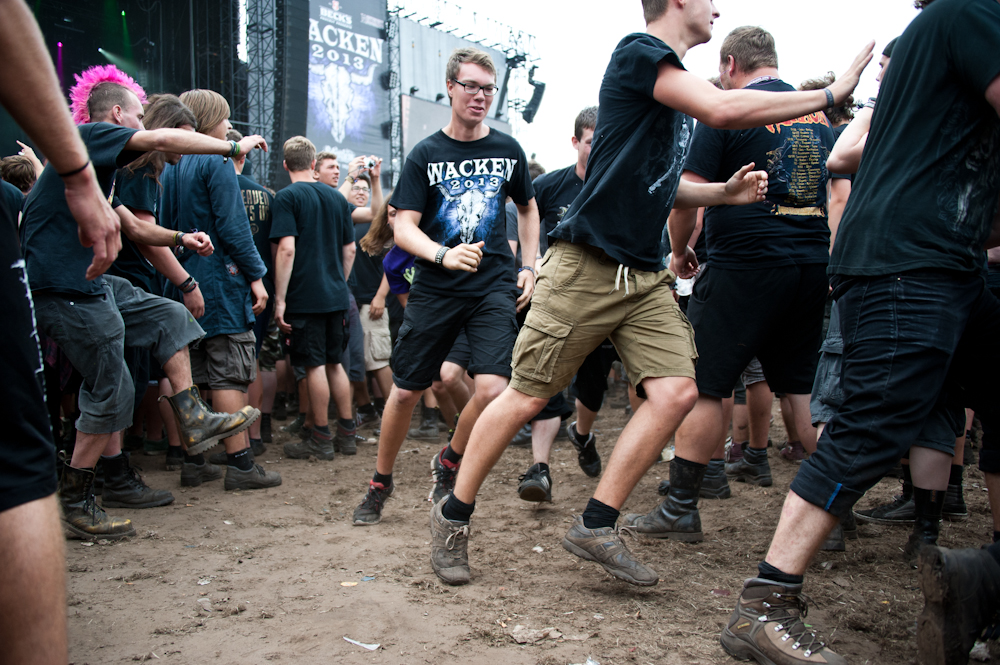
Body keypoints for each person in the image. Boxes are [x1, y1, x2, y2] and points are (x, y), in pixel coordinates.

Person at [428, 0, 872, 589]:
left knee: (678, 392)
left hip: (641, 275)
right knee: (525, 397)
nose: (718, 8)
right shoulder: (641, 54)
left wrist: (723, 195)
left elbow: (660, 189)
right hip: (586, 265)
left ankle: (596, 523)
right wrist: (831, 93)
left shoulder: (675, 90)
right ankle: (453, 516)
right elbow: (723, 107)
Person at [720, 2, 1000, 664]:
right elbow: (850, 158)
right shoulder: (968, 17)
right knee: (872, 425)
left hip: (951, 262)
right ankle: (766, 604)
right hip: (906, 262)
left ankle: (987, 581)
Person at [649, 25, 845, 543]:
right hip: (809, 268)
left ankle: (681, 506)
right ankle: (834, 512)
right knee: (799, 388)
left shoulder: (727, 107)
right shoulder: (817, 115)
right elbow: (838, 190)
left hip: (746, 266)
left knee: (706, 384)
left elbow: (685, 192)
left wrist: (678, 249)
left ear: (731, 64)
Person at [351, 46, 540, 527]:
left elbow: (527, 208)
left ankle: (451, 458)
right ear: (451, 88)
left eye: (489, 89)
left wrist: (530, 265)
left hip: (494, 284)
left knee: (495, 387)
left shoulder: (508, 148)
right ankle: (380, 482)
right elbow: (403, 227)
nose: (481, 97)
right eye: (472, 86)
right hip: (436, 287)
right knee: (406, 391)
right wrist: (442, 254)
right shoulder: (426, 154)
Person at [0, 1, 125, 660]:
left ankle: (115, 468)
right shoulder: (98, 142)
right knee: (18, 454)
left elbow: (132, 225)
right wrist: (76, 172)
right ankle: (83, 488)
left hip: (81, 291)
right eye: (131, 112)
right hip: (71, 295)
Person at [158, 88, 279, 491]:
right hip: (218, 281)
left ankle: (193, 462)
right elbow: (232, 226)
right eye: (226, 118)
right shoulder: (215, 158)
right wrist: (257, 275)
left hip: (177, 279)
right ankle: (241, 465)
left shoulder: (169, 161)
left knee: (187, 374)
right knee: (229, 373)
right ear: (211, 120)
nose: (230, 127)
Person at [272, 136, 357, 460]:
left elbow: (287, 249)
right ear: (312, 164)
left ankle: (320, 437)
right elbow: (349, 250)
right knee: (335, 363)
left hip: (304, 297)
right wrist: (338, 282)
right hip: (335, 295)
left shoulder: (287, 197)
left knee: (314, 365)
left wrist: (280, 300)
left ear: (285, 165)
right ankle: (347, 433)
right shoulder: (337, 199)